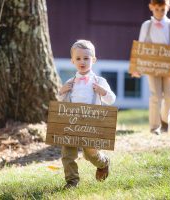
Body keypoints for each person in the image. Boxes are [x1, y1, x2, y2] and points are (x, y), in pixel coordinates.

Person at [58, 39, 116, 189]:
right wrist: (61, 91)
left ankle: (103, 162)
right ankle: (72, 181)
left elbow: (111, 99)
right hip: (72, 124)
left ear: (94, 60)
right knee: (68, 154)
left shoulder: (99, 81)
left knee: (90, 154)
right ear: (72, 61)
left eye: (86, 58)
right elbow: (62, 103)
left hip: (92, 125)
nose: (82, 62)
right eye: (78, 58)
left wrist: (104, 92)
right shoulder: (70, 82)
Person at [132, 0, 170, 135]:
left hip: (168, 66)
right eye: (157, 9)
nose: (159, 12)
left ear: (168, 8)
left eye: (162, 9)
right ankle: (155, 127)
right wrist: (138, 67)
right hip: (151, 66)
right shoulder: (146, 26)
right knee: (155, 96)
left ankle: (165, 122)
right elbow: (141, 47)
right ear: (151, 7)